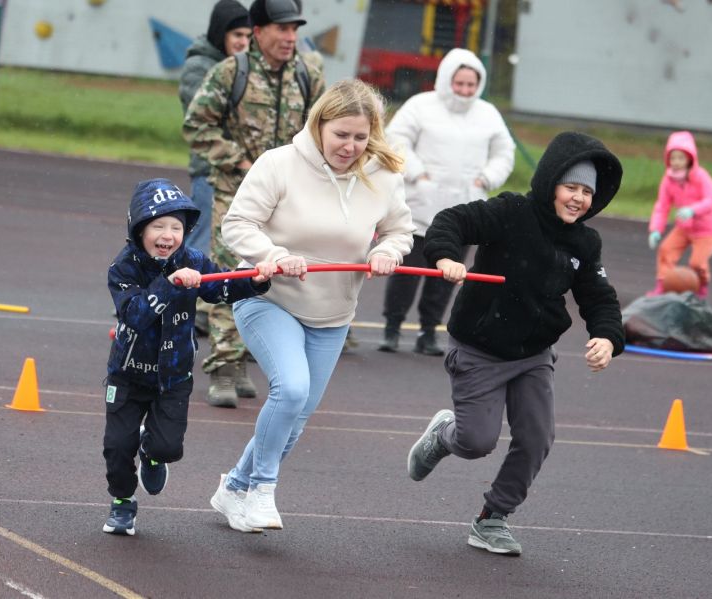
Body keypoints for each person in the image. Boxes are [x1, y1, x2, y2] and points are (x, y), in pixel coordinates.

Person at [209, 79, 414, 533]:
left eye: (360, 137)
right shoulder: (279, 164)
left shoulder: (381, 174)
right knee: (293, 390)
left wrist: (387, 252)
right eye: (341, 134)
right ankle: (262, 489)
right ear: (319, 124)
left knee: (296, 417)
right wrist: (274, 257)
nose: (350, 146)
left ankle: (233, 489)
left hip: (333, 312)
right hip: (269, 298)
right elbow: (238, 224)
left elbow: (401, 231)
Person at [406, 132, 625, 556]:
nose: (578, 199)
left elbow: (599, 297)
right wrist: (446, 256)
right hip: (479, 346)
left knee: (538, 436)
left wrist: (607, 336)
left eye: (587, 192)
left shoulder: (585, 242)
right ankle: (443, 436)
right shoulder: (511, 212)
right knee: (476, 442)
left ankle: (492, 519)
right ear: (550, 183)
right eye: (571, 187)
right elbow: (452, 221)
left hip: (533, 355)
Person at [102, 178, 274, 536]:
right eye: (158, 226)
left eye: (176, 227)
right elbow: (135, 315)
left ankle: (151, 454)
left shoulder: (193, 260)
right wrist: (171, 284)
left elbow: (222, 286)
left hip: (173, 377)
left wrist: (255, 279)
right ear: (138, 229)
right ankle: (122, 503)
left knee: (168, 447)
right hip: (127, 375)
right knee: (118, 448)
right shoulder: (123, 268)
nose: (168, 235)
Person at [183, 0, 326, 408]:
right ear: (258, 30)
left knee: (272, 279)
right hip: (236, 194)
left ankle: (245, 361)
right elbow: (197, 125)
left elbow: (322, 133)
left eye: (294, 29)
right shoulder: (231, 72)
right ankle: (224, 368)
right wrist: (239, 161)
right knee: (232, 275)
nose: (290, 37)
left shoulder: (307, 75)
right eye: (282, 29)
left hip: (288, 200)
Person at [379, 48, 515, 356]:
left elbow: (504, 152)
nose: (465, 91)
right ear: (446, 79)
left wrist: (487, 178)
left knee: (446, 276)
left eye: (471, 85)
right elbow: (395, 139)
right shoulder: (420, 106)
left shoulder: (487, 114)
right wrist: (417, 173)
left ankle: (429, 331)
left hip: (464, 212)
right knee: (407, 273)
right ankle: (392, 327)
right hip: (420, 207)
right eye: (459, 84)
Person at [178, 0, 252, 257]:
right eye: (237, 35)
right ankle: (182, 296)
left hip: (243, 175)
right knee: (201, 247)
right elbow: (203, 121)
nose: (244, 42)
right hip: (210, 172)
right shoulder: (198, 67)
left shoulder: (244, 67)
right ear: (222, 33)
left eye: (248, 36)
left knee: (235, 250)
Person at [646, 130, 712, 299]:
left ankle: (701, 288)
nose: (676, 162)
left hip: (705, 230)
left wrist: (693, 210)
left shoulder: (701, 176)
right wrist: (656, 229)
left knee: (697, 263)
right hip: (684, 228)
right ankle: (662, 286)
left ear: (690, 159)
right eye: (673, 158)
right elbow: (662, 206)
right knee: (666, 250)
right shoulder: (668, 179)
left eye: (681, 158)